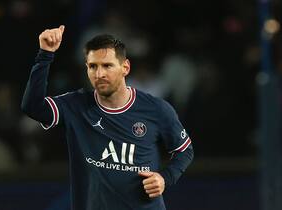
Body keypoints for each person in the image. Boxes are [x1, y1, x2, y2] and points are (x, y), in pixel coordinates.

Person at [21, 25, 194, 210]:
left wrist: (164, 178)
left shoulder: (156, 109)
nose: (99, 74)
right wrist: (45, 54)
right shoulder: (75, 106)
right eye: (93, 66)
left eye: (107, 65)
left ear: (125, 67)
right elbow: (32, 107)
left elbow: (185, 151)